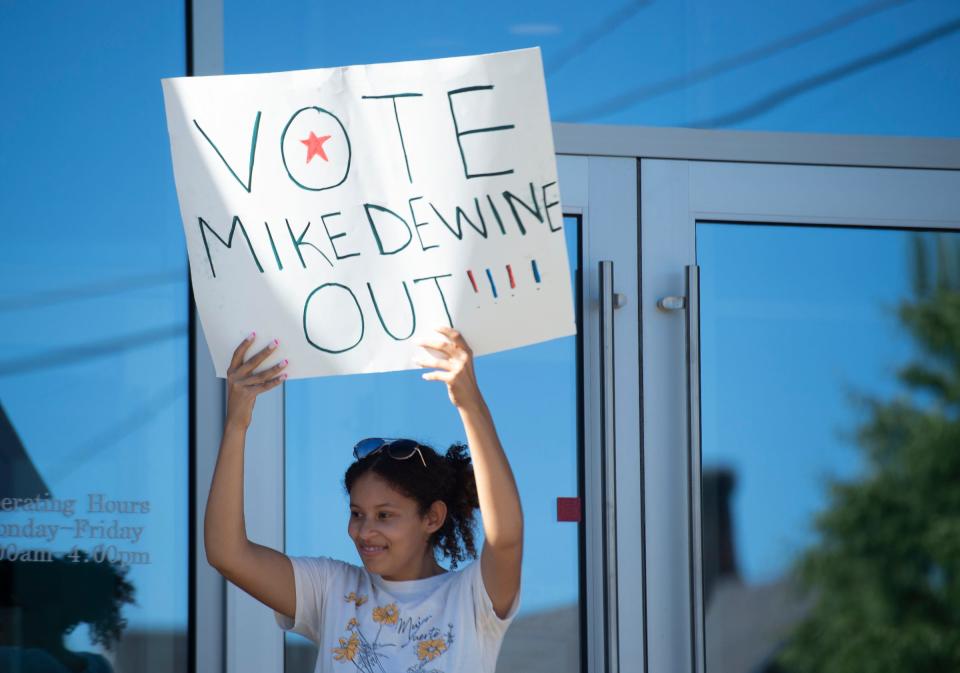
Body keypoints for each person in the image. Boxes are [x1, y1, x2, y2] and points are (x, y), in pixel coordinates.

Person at [204, 326, 523, 673]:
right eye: (357, 513)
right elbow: (227, 554)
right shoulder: (330, 589)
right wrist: (237, 423)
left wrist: (469, 402)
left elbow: (505, 538)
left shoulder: (471, 599)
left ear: (432, 517)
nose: (364, 530)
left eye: (384, 516)